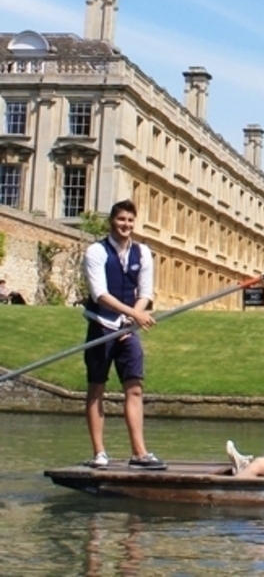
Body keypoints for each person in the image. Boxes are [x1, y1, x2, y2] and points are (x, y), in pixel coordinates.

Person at [81, 200, 164, 470]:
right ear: (112, 222)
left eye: (130, 220)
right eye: (121, 220)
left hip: (128, 328)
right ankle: (99, 453)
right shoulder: (96, 251)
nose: (126, 225)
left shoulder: (143, 252)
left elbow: (146, 293)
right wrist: (132, 316)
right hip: (101, 326)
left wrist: (132, 318)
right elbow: (100, 294)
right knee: (96, 389)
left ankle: (139, 453)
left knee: (135, 387)